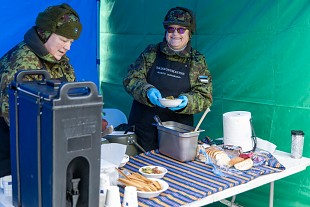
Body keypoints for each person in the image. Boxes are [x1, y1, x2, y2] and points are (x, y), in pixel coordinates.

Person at [0, 3, 82, 178]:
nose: (68, 47)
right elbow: (16, 119)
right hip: (14, 153)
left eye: (71, 42)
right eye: (63, 40)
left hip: (46, 146)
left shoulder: (59, 60)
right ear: (45, 33)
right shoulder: (22, 63)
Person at [123, 7, 213, 152]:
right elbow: (130, 79)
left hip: (177, 135)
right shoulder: (151, 52)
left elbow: (205, 96)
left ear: (190, 33)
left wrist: (186, 102)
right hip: (143, 131)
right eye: (171, 29)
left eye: (181, 30)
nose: (175, 33)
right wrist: (147, 91)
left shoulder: (197, 61)